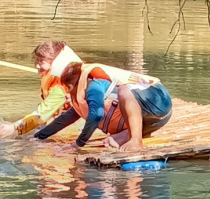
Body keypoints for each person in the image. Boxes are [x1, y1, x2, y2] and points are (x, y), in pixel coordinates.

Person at [34, 62, 173, 151]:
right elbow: (65, 118)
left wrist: (78, 144)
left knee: (123, 90)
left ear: (79, 82)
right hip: (153, 121)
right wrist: (39, 137)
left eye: (69, 87)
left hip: (159, 103)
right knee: (111, 139)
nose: (69, 92)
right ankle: (127, 134)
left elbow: (96, 115)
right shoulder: (82, 97)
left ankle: (135, 141)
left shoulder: (94, 87)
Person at [0, 41, 82, 139]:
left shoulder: (59, 83)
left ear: (54, 61)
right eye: (36, 60)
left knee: (37, 146)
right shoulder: (70, 73)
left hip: (79, 129)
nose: (36, 65)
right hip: (79, 120)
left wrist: (14, 128)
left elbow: (42, 114)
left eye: (41, 62)